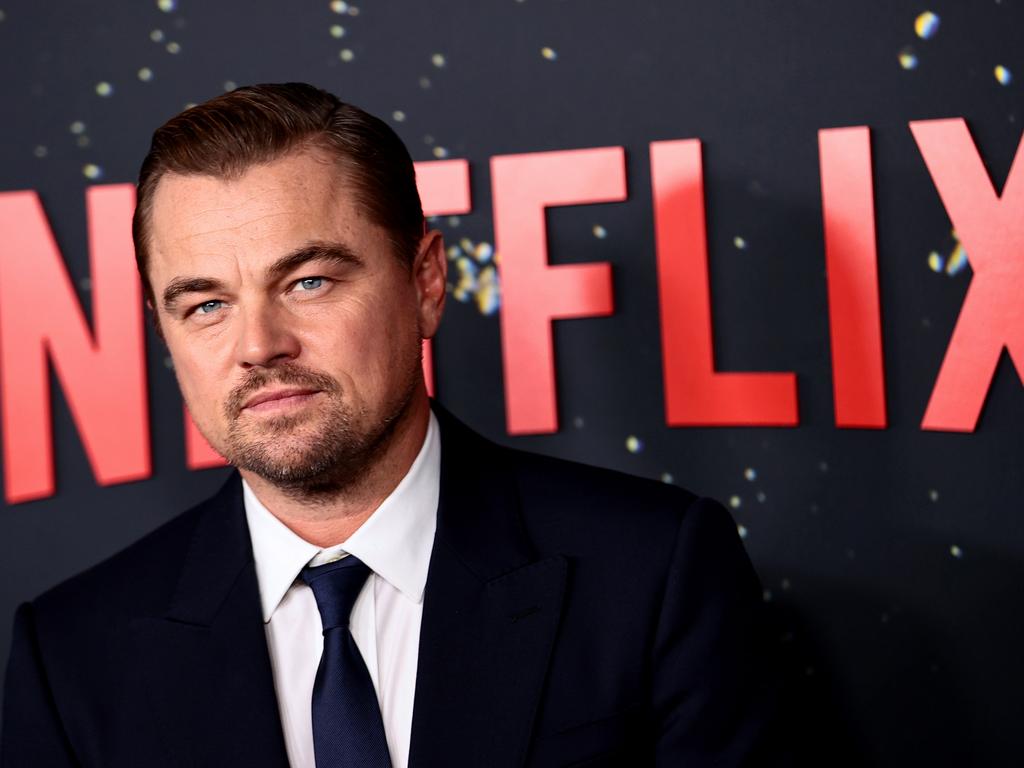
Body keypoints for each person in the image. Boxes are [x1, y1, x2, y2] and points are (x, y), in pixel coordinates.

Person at [1, 82, 786, 767]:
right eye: (205, 304)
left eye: (308, 281)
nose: (257, 347)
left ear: (426, 282)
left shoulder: (652, 574)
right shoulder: (73, 654)